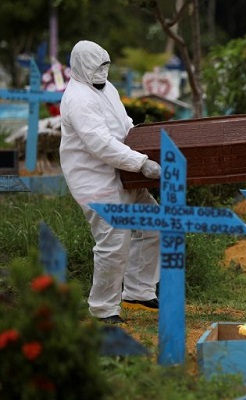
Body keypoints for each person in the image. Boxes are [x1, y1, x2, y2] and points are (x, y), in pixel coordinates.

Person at [60, 40, 162, 324]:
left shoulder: (106, 88)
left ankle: (138, 291)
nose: (102, 71)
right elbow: (100, 143)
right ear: (82, 66)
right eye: (97, 66)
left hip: (124, 175)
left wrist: (142, 140)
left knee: (153, 225)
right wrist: (141, 163)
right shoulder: (78, 99)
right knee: (114, 242)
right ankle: (103, 309)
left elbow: (123, 124)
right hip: (96, 180)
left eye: (105, 65)